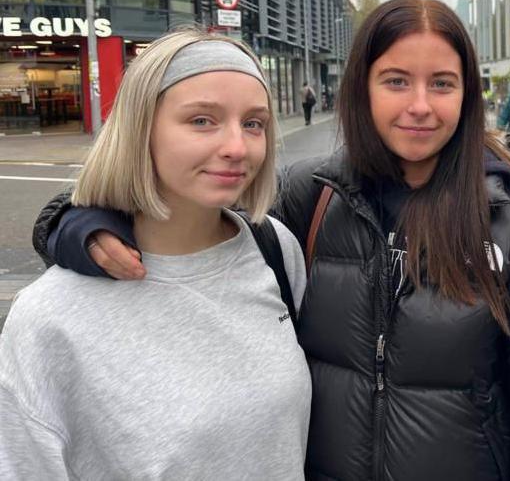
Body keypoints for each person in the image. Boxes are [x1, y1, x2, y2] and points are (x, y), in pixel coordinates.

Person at [32, 0, 510, 480]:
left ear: (467, 96)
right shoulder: (308, 198)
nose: (419, 105)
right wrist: (76, 223)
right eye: (395, 81)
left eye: (442, 83)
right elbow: (173, 195)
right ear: (361, 88)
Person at [1, 30, 310, 478]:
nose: (237, 147)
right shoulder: (51, 317)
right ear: (140, 128)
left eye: (253, 123)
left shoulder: (275, 249)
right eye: (202, 120)